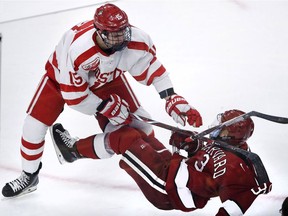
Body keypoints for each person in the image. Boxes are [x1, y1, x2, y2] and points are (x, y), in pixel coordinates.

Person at [1, 3, 202, 198]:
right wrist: (105, 106)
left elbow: (151, 67)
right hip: (60, 79)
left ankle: (72, 150)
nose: (122, 37)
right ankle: (29, 176)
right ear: (100, 32)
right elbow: (73, 96)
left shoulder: (135, 40)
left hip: (109, 80)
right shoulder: (79, 50)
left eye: (124, 30)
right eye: (115, 34)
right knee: (33, 126)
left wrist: (170, 96)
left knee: (141, 129)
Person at [50, 109, 271, 215]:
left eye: (220, 125)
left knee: (124, 138)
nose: (214, 126)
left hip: (167, 188)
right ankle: (101, 114)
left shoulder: (240, 169)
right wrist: (188, 145)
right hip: (172, 169)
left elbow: (233, 208)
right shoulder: (224, 144)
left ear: (229, 134)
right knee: (138, 132)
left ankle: (71, 151)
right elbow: (203, 159)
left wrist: (183, 152)